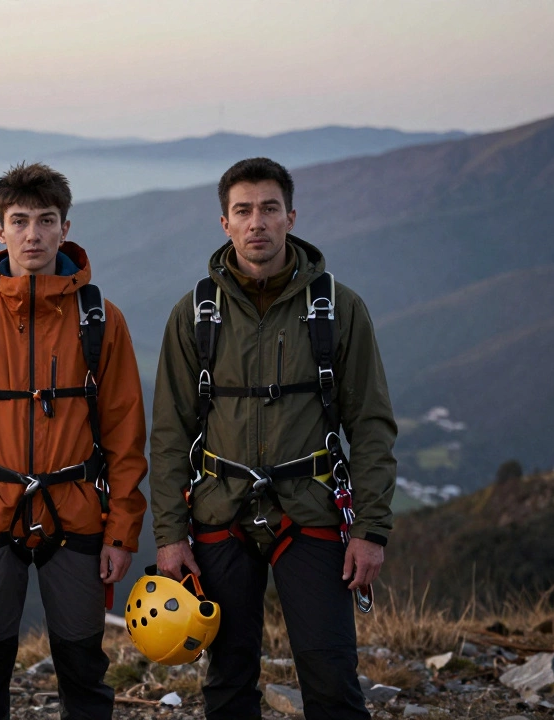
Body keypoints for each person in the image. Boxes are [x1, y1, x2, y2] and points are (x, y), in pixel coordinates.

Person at [150, 157, 396, 720]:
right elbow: (168, 434)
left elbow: (372, 428)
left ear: (291, 216)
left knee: (331, 674)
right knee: (228, 678)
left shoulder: (337, 308)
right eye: (243, 211)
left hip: (311, 511)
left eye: (268, 209)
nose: (256, 222)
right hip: (220, 514)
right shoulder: (195, 315)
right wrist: (169, 536)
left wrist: (371, 530)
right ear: (225, 223)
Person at [0, 162, 148, 720]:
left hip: (77, 517)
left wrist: (122, 532)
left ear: (65, 228)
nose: (32, 234)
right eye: (19, 221)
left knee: (84, 673)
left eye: (46, 221)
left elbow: (125, 438)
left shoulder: (101, 319)